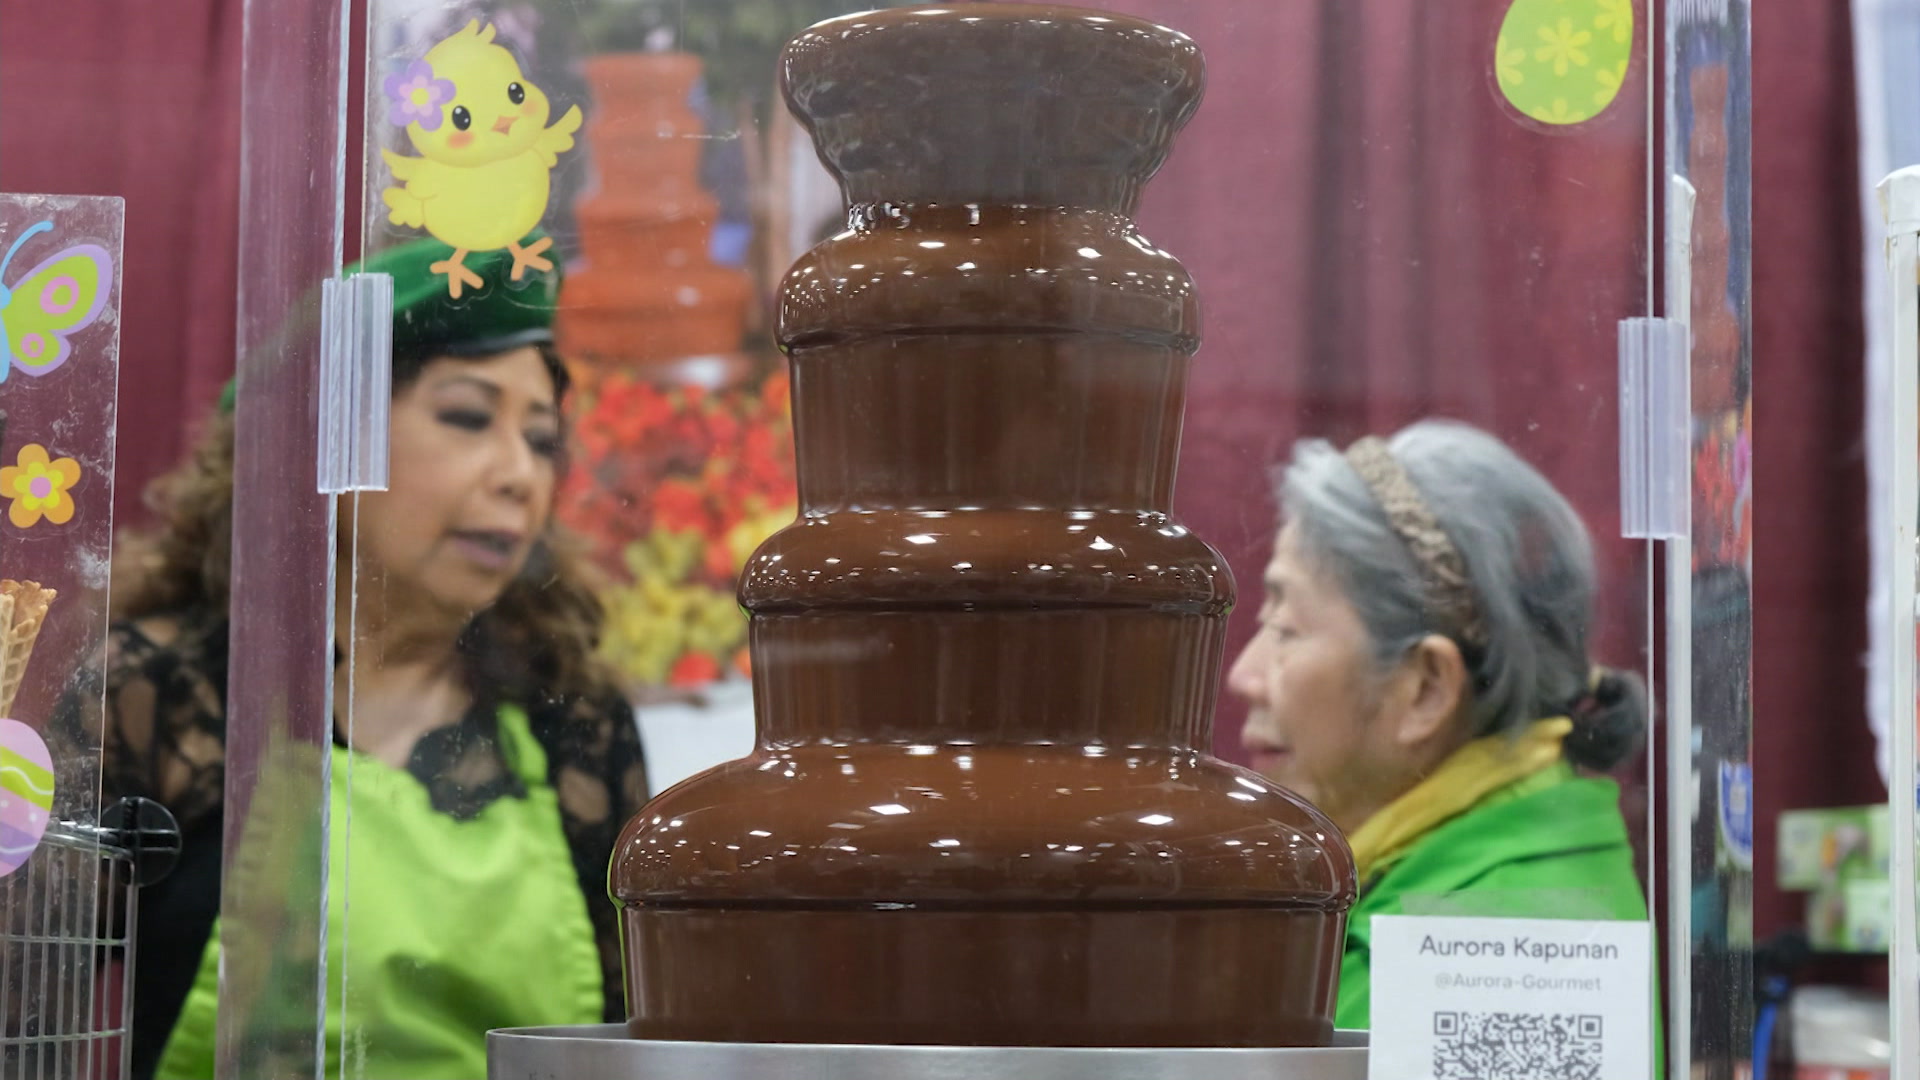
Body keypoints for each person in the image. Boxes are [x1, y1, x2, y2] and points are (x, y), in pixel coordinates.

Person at [55, 238, 648, 1079]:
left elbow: (637, 1036)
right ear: (329, 437)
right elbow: (25, 1005)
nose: (521, 475)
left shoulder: (577, 719)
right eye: (468, 417)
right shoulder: (158, 691)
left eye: (542, 439)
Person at [1226, 419, 1649, 1030]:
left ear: (1427, 689)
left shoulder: (1491, 964)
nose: (1244, 674)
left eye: (1287, 629)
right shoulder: (1455, 893)